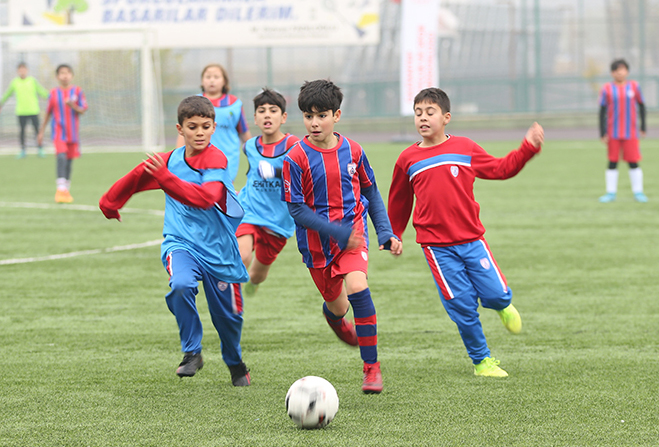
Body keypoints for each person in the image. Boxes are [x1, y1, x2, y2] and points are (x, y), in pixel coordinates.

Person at [387, 87, 544, 378]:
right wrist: (394, 233)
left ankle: (503, 306)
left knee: (496, 295)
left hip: (473, 241)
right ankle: (482, 361)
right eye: (418, 113)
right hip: (436, 247)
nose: (423, 118)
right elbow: (399, 201)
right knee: (462, 306)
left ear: (446, 117)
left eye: (430, 112)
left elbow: (501, 168)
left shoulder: (464, 148)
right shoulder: (407, 159)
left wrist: (527, 148)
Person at [99, 95, 252, 386]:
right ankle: (192, 352)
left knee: (228, 320)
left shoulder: (216, 160)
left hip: (219, 251)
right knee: (181, 285)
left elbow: (205, 199)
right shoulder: (169, 161)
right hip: (180, 243)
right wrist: (109, 203)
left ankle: (234, 362)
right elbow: (136, 177)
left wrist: (165, 178)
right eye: (192, 126)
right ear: (180, 129)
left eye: (205, 126)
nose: (199, 132)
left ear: (213, 127)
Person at [282, 80, 402, 394]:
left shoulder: (354, 150)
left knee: (359, 286)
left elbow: (371, 192)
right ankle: (335, 317)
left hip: (353, 234)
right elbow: (296, 210)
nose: (314, 122)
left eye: (321, 115)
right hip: (316, 247)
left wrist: (385, 231)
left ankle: (371, 368)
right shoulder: (295, 158)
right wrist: (337, 232)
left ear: (337, 115)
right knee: (337, 307)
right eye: (308, 116)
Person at [236, 88, 300, 296]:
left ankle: (252, 284)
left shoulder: (295, 146)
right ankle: (228, 299)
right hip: (250, 212)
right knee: (241, 256)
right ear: (255, 118)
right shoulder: (250, 146)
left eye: (273, 110)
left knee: (257, 275)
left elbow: (303, 174)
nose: (267, 115)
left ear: (283, 117)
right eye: (261, 111)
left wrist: (276, 171)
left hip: (279, 222)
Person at [176, 63, 251, 182]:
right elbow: (183, 131)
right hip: (198, 156)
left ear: (224, 81)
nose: (212, 80)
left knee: (220, 193)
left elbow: (243, 132)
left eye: (216, 77)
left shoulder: (235, 104)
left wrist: (254, 152)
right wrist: (178, 155)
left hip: (228, 158)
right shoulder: (193, 102)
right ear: (202, 81)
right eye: (208, 77)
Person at [598, 59, 647, 203]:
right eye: (617, 70)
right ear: (612, 73)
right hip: (613, 132)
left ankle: (638, 192)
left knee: (633, 161)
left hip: (630, 132)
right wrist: (602, 132)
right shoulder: (607, 89)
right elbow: (602, 111)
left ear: (627, 71)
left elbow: (642, 106)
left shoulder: (634, 87)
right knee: (612, 162)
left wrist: (643, 127)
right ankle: (610, 193)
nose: (620, 73)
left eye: (623, 69)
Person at [37, 64, 87, 204]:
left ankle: (65, 190)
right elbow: (48, 113)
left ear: (71, 75)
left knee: (69, 162)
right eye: (62, 73)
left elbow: (83, 110)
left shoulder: (77, 91)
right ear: (57, 76)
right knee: (61, 157)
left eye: (67, 72)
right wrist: (41, 132)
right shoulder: (53, 93)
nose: (65, 75)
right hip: (59, 132)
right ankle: (60, 189)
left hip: (73, 134)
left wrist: (73, 106)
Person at [0, 62, 49, 158]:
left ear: (27, 70)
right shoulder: (15, 82)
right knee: (22, 131)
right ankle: (23, 150)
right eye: (20, 70)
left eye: (24, 70)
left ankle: (40, 148)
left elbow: (42, 92)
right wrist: (1, 103)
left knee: (37, 130)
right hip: (21, 111)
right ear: (18, 71)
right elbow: (7, 94)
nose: (22, 72)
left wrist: (52, 96)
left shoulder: (32, 81)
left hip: (34, 110)